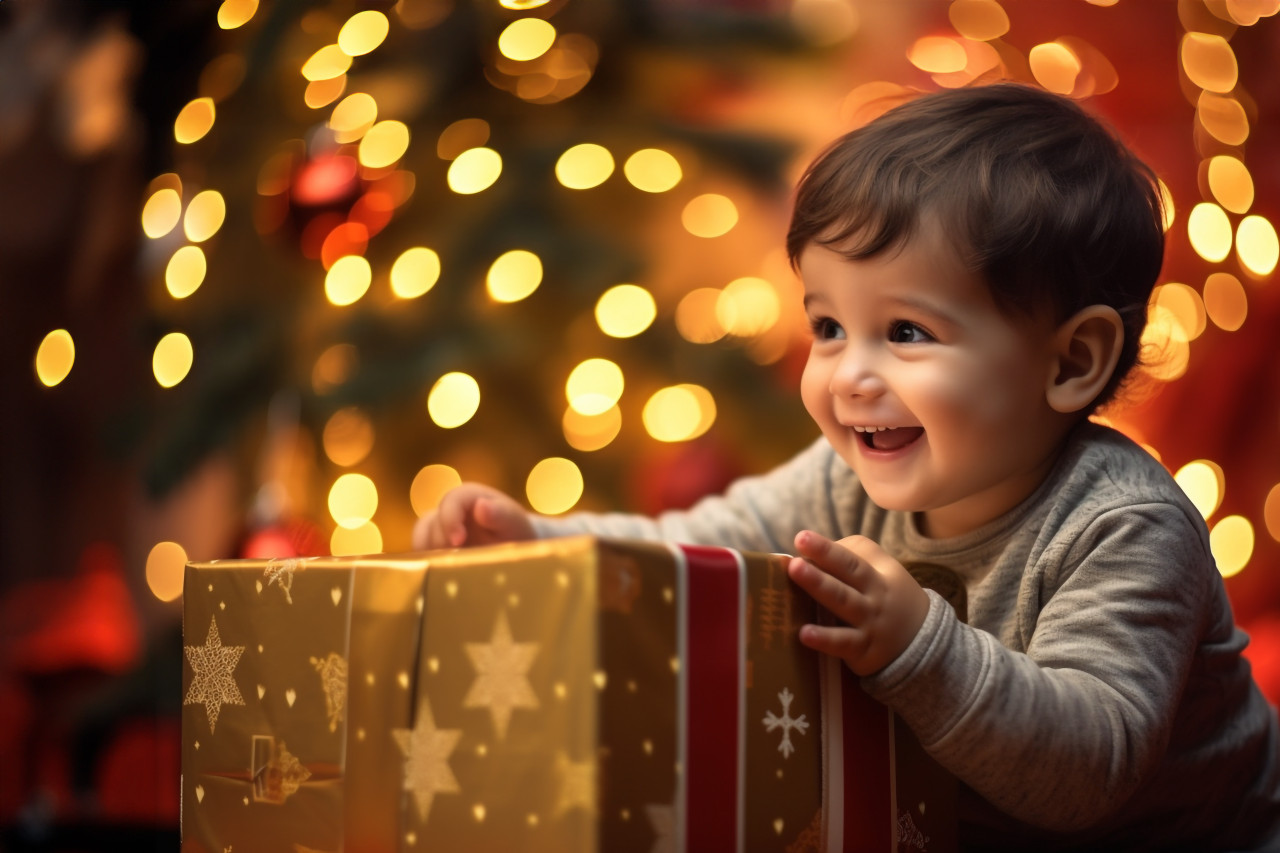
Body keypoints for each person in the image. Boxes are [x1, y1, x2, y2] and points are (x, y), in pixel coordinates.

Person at [412, 83, 1280, 850]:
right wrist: (540, 539)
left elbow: (1090, 769)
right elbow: (693, 550)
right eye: (828, 327)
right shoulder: (843, 478)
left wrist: (922, 649)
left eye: (905, 332)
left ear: (1068, 363)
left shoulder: (1122, 524)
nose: (848, 375)